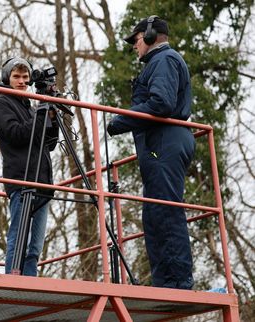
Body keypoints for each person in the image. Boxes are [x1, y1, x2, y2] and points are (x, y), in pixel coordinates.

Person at [107, 16, 195, 289]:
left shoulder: (164, 60)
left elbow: (161, 103)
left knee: (165, 211)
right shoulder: (160, 62)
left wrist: (119, 120)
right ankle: (165, 281)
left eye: (135, 40)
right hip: (160, 143)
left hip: (164, 142)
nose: (134, 46)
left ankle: (176, 283)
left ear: (148, 35)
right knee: (156, 213)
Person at [0, 58, 58, 276]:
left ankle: (30, 284)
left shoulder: (30, 107)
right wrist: (41, 114)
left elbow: (50, 144)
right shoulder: (1, 104)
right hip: (22, 181)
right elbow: (17, 135)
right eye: (16, 77)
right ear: (6, 78)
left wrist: (52, 118)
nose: (22, 82)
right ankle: (13, 283)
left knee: (35, 247)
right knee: (18, 239)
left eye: (25, 77)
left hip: (42, 183)